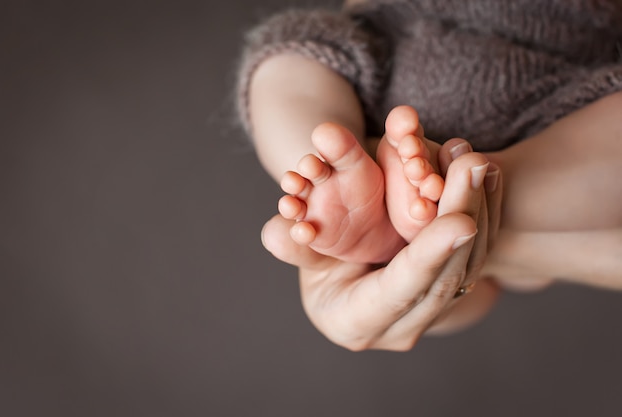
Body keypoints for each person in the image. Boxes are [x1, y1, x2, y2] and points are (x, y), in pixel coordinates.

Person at [236, 0, 622, 350]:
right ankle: (352, 178)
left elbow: (487, 292)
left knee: (286, 64)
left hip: (569, 81)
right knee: (287, 67)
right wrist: (434, 294)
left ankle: (447, 206)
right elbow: (480, 294)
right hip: (395, 39)